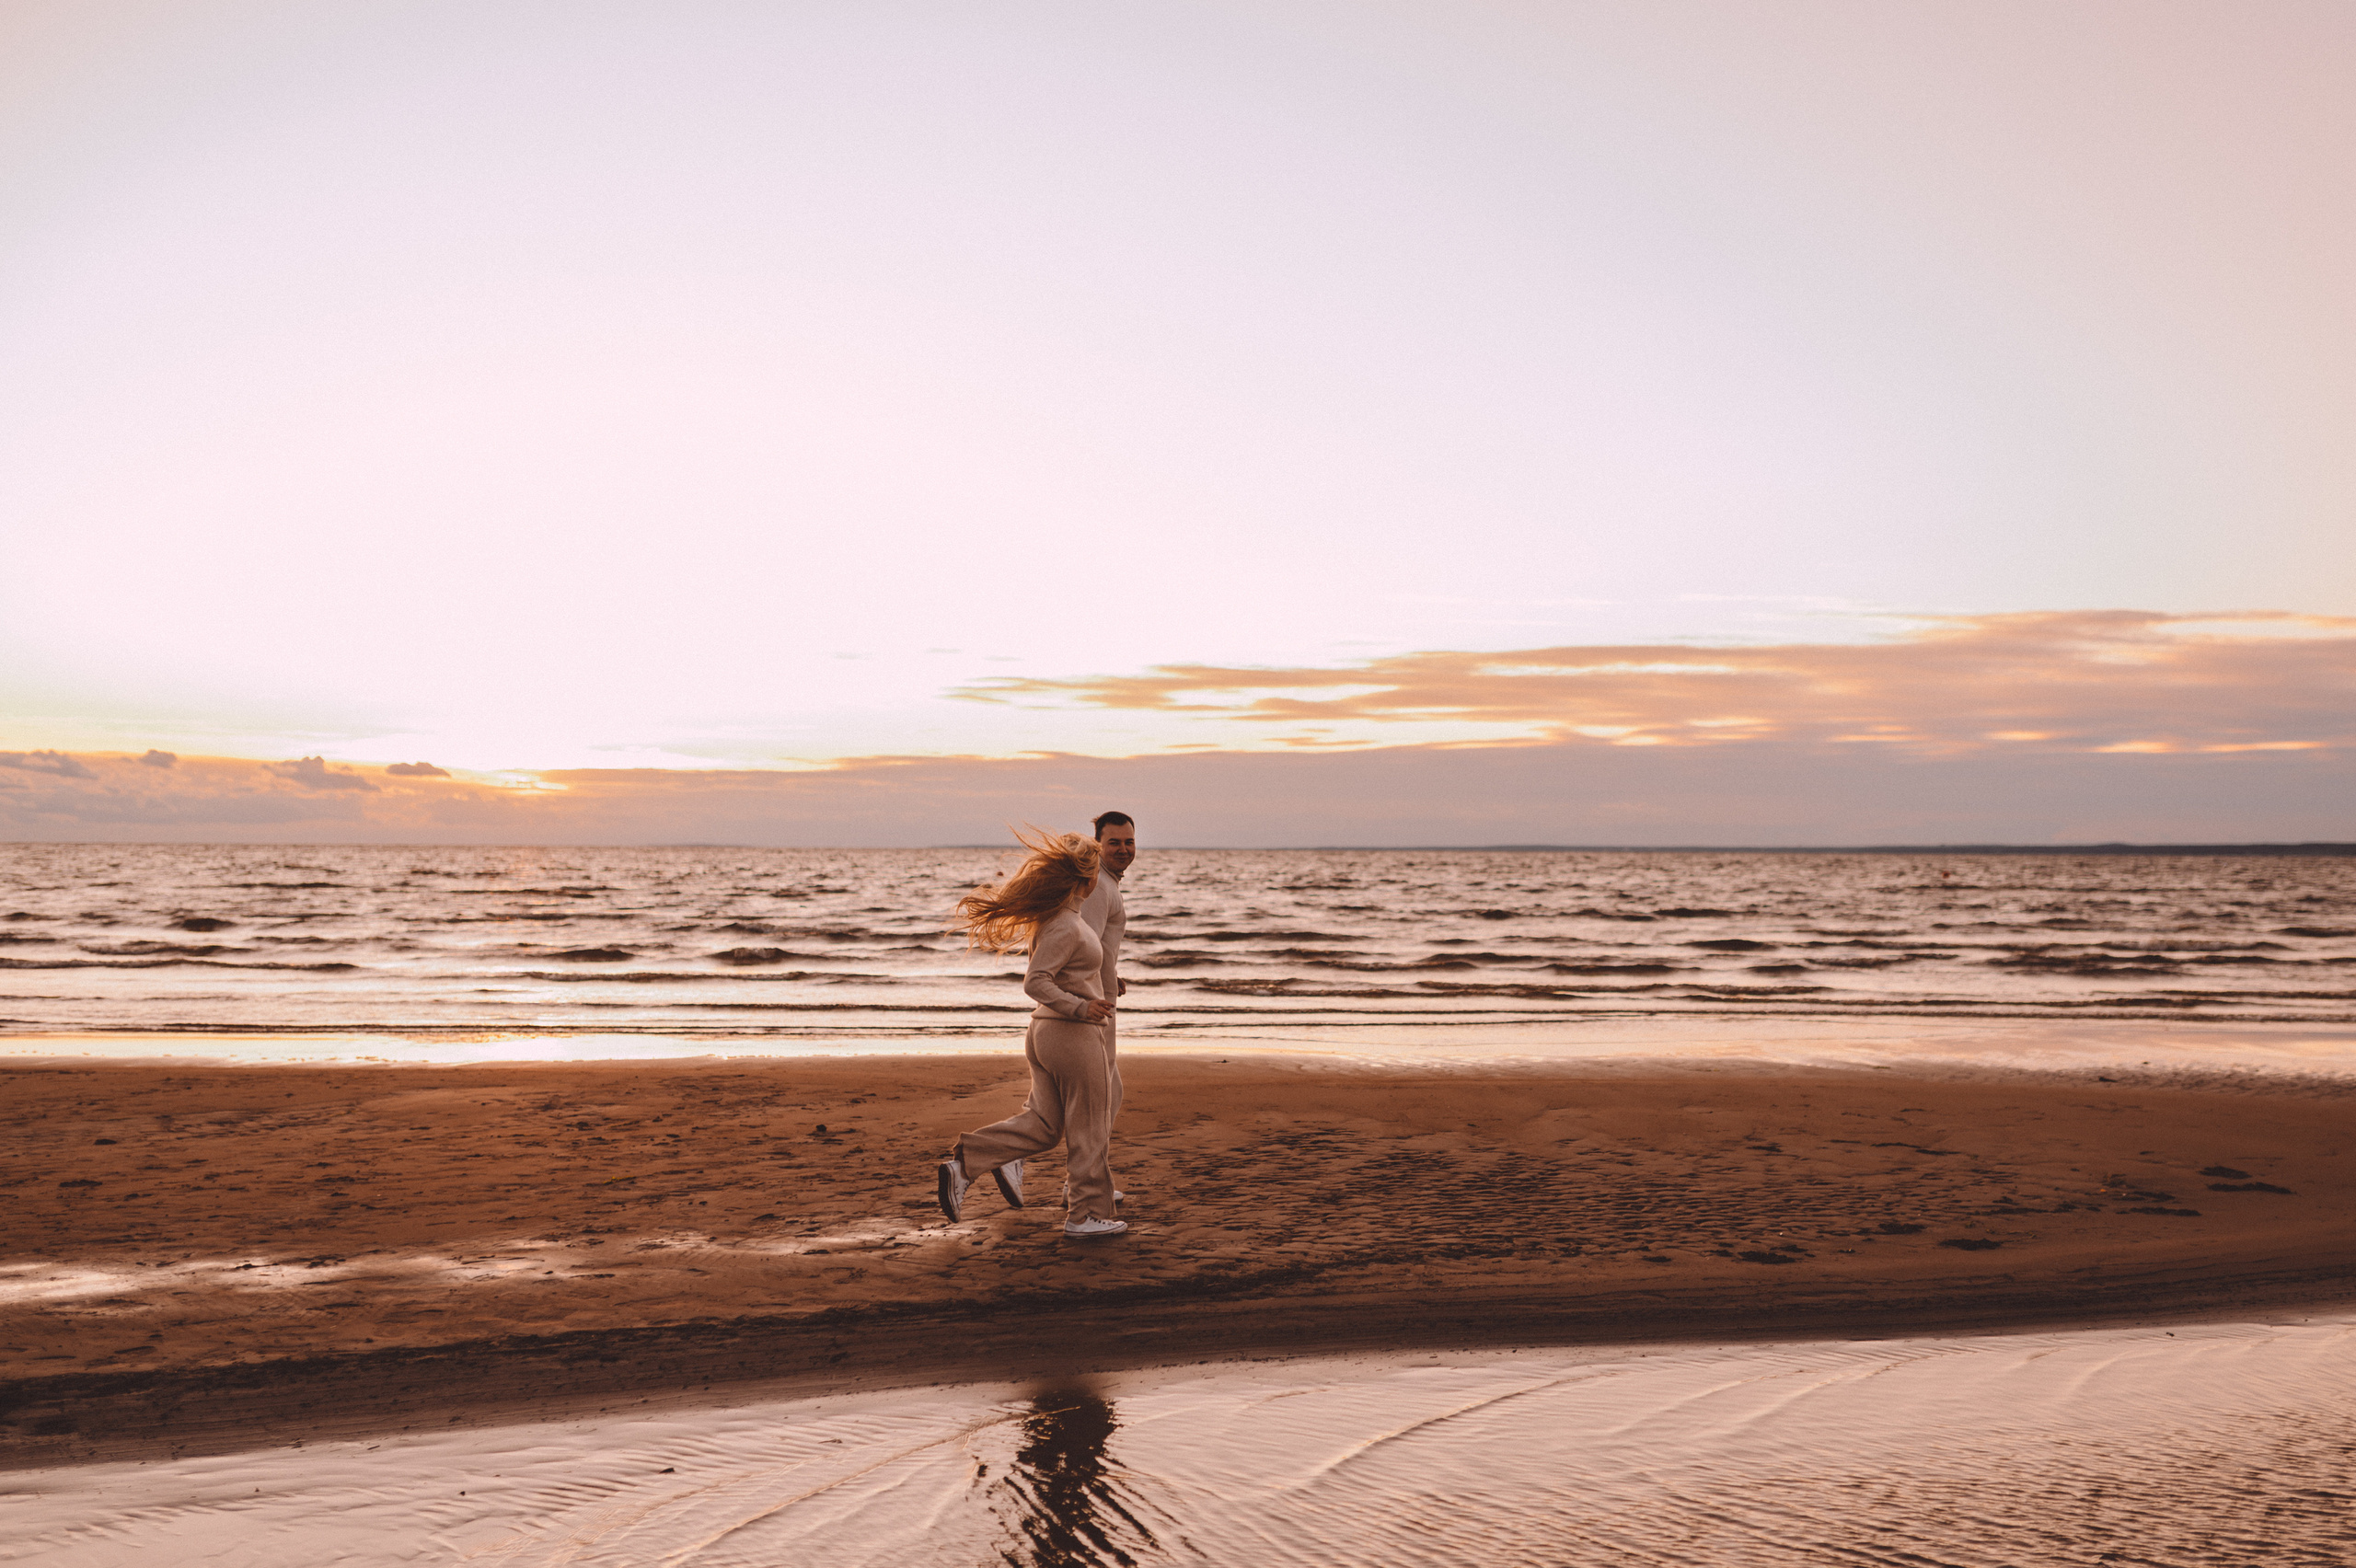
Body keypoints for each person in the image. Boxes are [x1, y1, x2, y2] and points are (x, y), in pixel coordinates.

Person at [937, 827, 1127, 1239]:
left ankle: (966, 1163)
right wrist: (1082, 1006)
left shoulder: (1064, 919)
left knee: (1044, 1125)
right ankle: (1085, 1215)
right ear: (1087, 877)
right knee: (1089, 1127)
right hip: (1070, 1035)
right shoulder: (1065, 923)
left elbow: (1065, 972)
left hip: (1049, 1033)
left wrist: (1097, 982)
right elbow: (1036, 981)